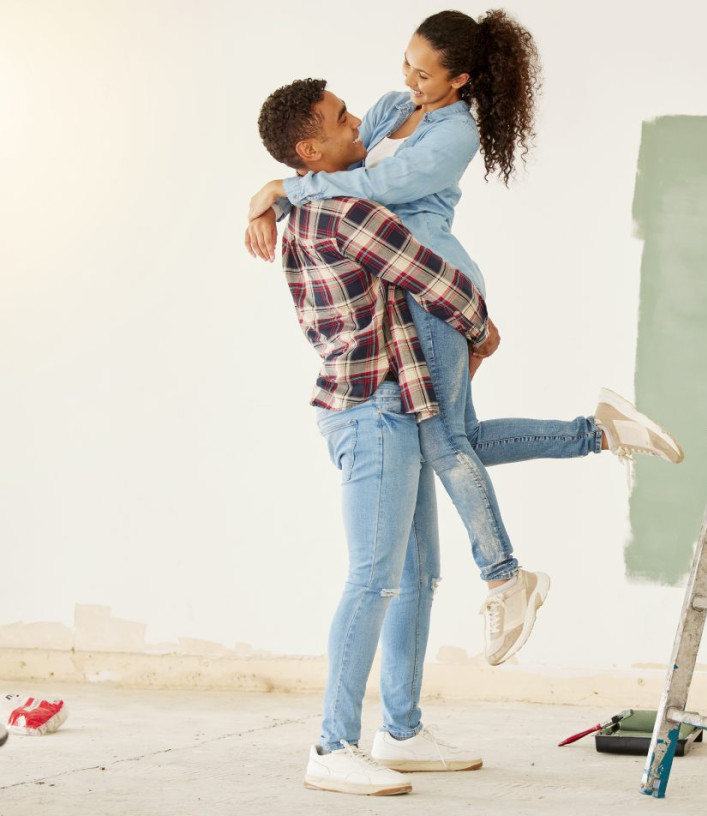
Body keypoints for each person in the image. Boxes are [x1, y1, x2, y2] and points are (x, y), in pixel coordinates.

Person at [245, 9, 683, 667]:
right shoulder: (394, 108)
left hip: (433, 285)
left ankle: (507, 579)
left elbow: (379, 185)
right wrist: (271, 197)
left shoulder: (456, 134)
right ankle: (600, 431)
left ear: (460, 79)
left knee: (442, 442)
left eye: (425, 73)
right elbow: (336, 165)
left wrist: (285, 187)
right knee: (459, 441)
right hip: (404, 295)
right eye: (406, 65)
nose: (409, 80)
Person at [258, 77, 494, 795]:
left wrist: (270, 188)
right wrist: (483, 329)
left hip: (393, 404)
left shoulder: (307, 202)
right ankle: (332, 746)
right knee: (374, 579)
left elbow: (390, 112)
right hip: (374, 411)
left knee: (416, 575)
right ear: (310, 148)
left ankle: (401, 731)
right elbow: (437, 279)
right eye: (339, 118)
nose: (357, 119)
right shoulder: (344, 212)